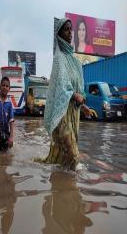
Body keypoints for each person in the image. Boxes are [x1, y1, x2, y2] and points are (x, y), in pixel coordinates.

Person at [39, 18, 91, 170]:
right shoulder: (58, 59)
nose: (70, 33)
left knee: (64, 160)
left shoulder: (74, 61)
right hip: (61, 115)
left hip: (73, 113)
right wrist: (75, 96)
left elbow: (75, 90)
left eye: (71, 29)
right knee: (74, 157)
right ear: (59, 33)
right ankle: (70, 190)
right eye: (66, 29)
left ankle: (61, 187)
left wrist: (84, 107)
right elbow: (62, 87)